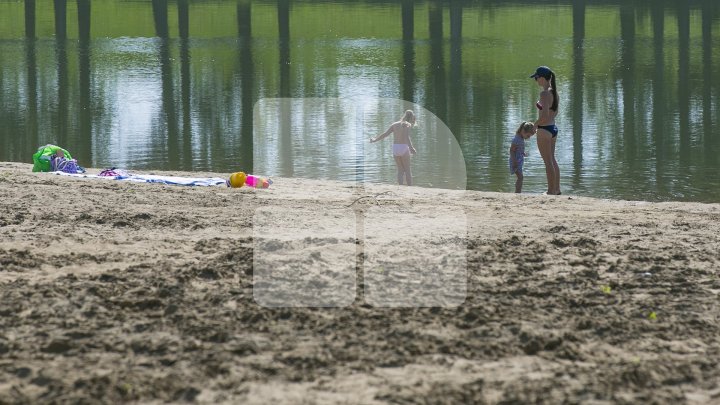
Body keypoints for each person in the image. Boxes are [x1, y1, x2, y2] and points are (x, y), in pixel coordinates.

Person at [530, 66, 561, 195]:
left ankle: (550, 191)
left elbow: (544, 116)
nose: (536, 80)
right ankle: (557, 189)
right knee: (552, 159)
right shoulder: (554, 92)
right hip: (553, 128)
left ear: (542, 78)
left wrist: (535, 125)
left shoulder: (544, 93)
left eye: (536, 78)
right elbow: (554, 113)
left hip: (544, 130)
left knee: (547, 161)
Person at [369, 110, 417, 186]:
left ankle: (400, 186)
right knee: (407, 170)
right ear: (411, 117)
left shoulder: (394, 124)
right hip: (404, 147)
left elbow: (385, 134)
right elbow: (407, 137)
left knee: (400, 170)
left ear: (404, 115)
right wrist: (411, 148)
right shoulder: (407, 125)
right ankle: (410, 187)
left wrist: (375, 140)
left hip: (395, 148)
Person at [509, 121, 536, 193]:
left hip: (518, 161)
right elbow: (511, 151)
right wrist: (514, 162)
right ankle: (517, 192)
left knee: (520, 178)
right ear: (523, 131)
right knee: (520, 177)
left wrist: (523, 153)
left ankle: (518, 191)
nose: (528, 138)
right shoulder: (516, 139)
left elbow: (518, 149)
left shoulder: (520, 138)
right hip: (515, 161)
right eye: (528, 136)